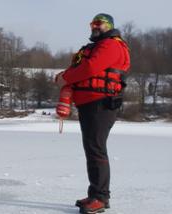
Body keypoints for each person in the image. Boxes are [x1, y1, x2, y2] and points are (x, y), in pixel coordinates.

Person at [55, 13, 130, 214]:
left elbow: (90, 67)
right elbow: (82, 66)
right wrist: (65, 78)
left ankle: (100, 197)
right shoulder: (95, 46)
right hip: (89, 104)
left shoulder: (111, 45)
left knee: (96, 148)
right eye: (92, 23)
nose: (95, 26)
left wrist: (66, 77)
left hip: (101, 104)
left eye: (99, 23)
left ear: (110, 26)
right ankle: (95, 194)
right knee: (92, 148)